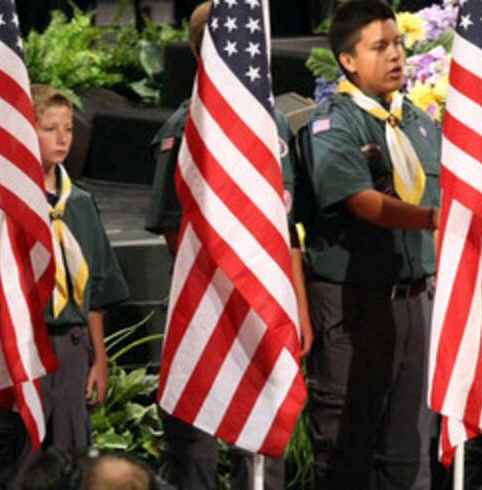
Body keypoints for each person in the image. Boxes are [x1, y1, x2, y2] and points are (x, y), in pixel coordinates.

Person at [145, 3, 313, 489]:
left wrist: (297, 306)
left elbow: (286, 226)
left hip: (264, 298)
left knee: (262, 439)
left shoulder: (272, 126)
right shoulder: (187, 127)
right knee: (196, 440)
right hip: (210, 302)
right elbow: (176, 229)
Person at [296, 1, 441, 488]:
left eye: (398, 43)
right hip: (352, 305)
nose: (396, 56)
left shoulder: (419, 124)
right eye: (380, 47)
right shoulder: (333, 124)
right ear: (348, 61)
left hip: (413, 301)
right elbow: (361, 201)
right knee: (347, 452)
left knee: (406, 455)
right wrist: (433, 219)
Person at [0, 84, 130, 488]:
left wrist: (98, 358)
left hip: (70, 346)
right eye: (49, 128)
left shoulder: (79, 203)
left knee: (70, 455)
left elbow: (95, 291)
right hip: (24, 342)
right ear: (25, 131)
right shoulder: (6, 205)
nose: (63, 138)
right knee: (20, 455)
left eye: (68, 128)